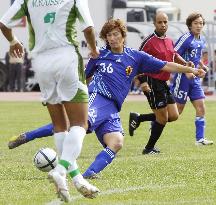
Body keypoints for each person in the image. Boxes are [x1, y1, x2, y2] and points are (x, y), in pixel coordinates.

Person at [7, 19, 205, 180]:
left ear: (123, 35)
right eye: (109, 35)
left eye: (116, 34)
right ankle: (27, 136)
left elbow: (166, 65)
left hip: (112, 108)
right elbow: (84, 77)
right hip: (97, 97)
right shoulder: (100, 55)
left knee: (117, 142)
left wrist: (191, 69)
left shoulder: (136, 57)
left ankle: (89, 174)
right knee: (76, 125)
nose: (112, 38)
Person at [0, 0, 100, 202]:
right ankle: (61, 170)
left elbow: (4, 24)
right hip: (66, 59)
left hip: (42, 62)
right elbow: (88, 28)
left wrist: (13, 42)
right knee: (81, 123)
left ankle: (77, 180)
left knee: (60, 125)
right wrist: (93, 49)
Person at [128, 12, 195, 154]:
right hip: (152, 82)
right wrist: (142, 82)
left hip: (163, 83)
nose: (163, 25)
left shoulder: (170, 40)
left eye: (165, 22)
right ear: (154, 24)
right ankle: (148, 148)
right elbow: (137, 61)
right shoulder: (148, 42)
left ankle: (139, 118)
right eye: (160, 22)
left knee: (174, 115)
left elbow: (173, 55)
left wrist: (185, 63)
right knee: (163, 118)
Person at [172, 12, 213, 146]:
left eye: (201, 23)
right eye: (196, 23)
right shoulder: (186, 38)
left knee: (201, 107)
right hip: (182, 77)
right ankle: (154, 121)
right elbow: (173, 53)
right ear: (190, 25)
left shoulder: (201, 39)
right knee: (176, 113)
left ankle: (199, 140)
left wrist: (202, 66)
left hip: (194, 79)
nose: (199, 25)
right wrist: (186, 68)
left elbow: (196, 56)